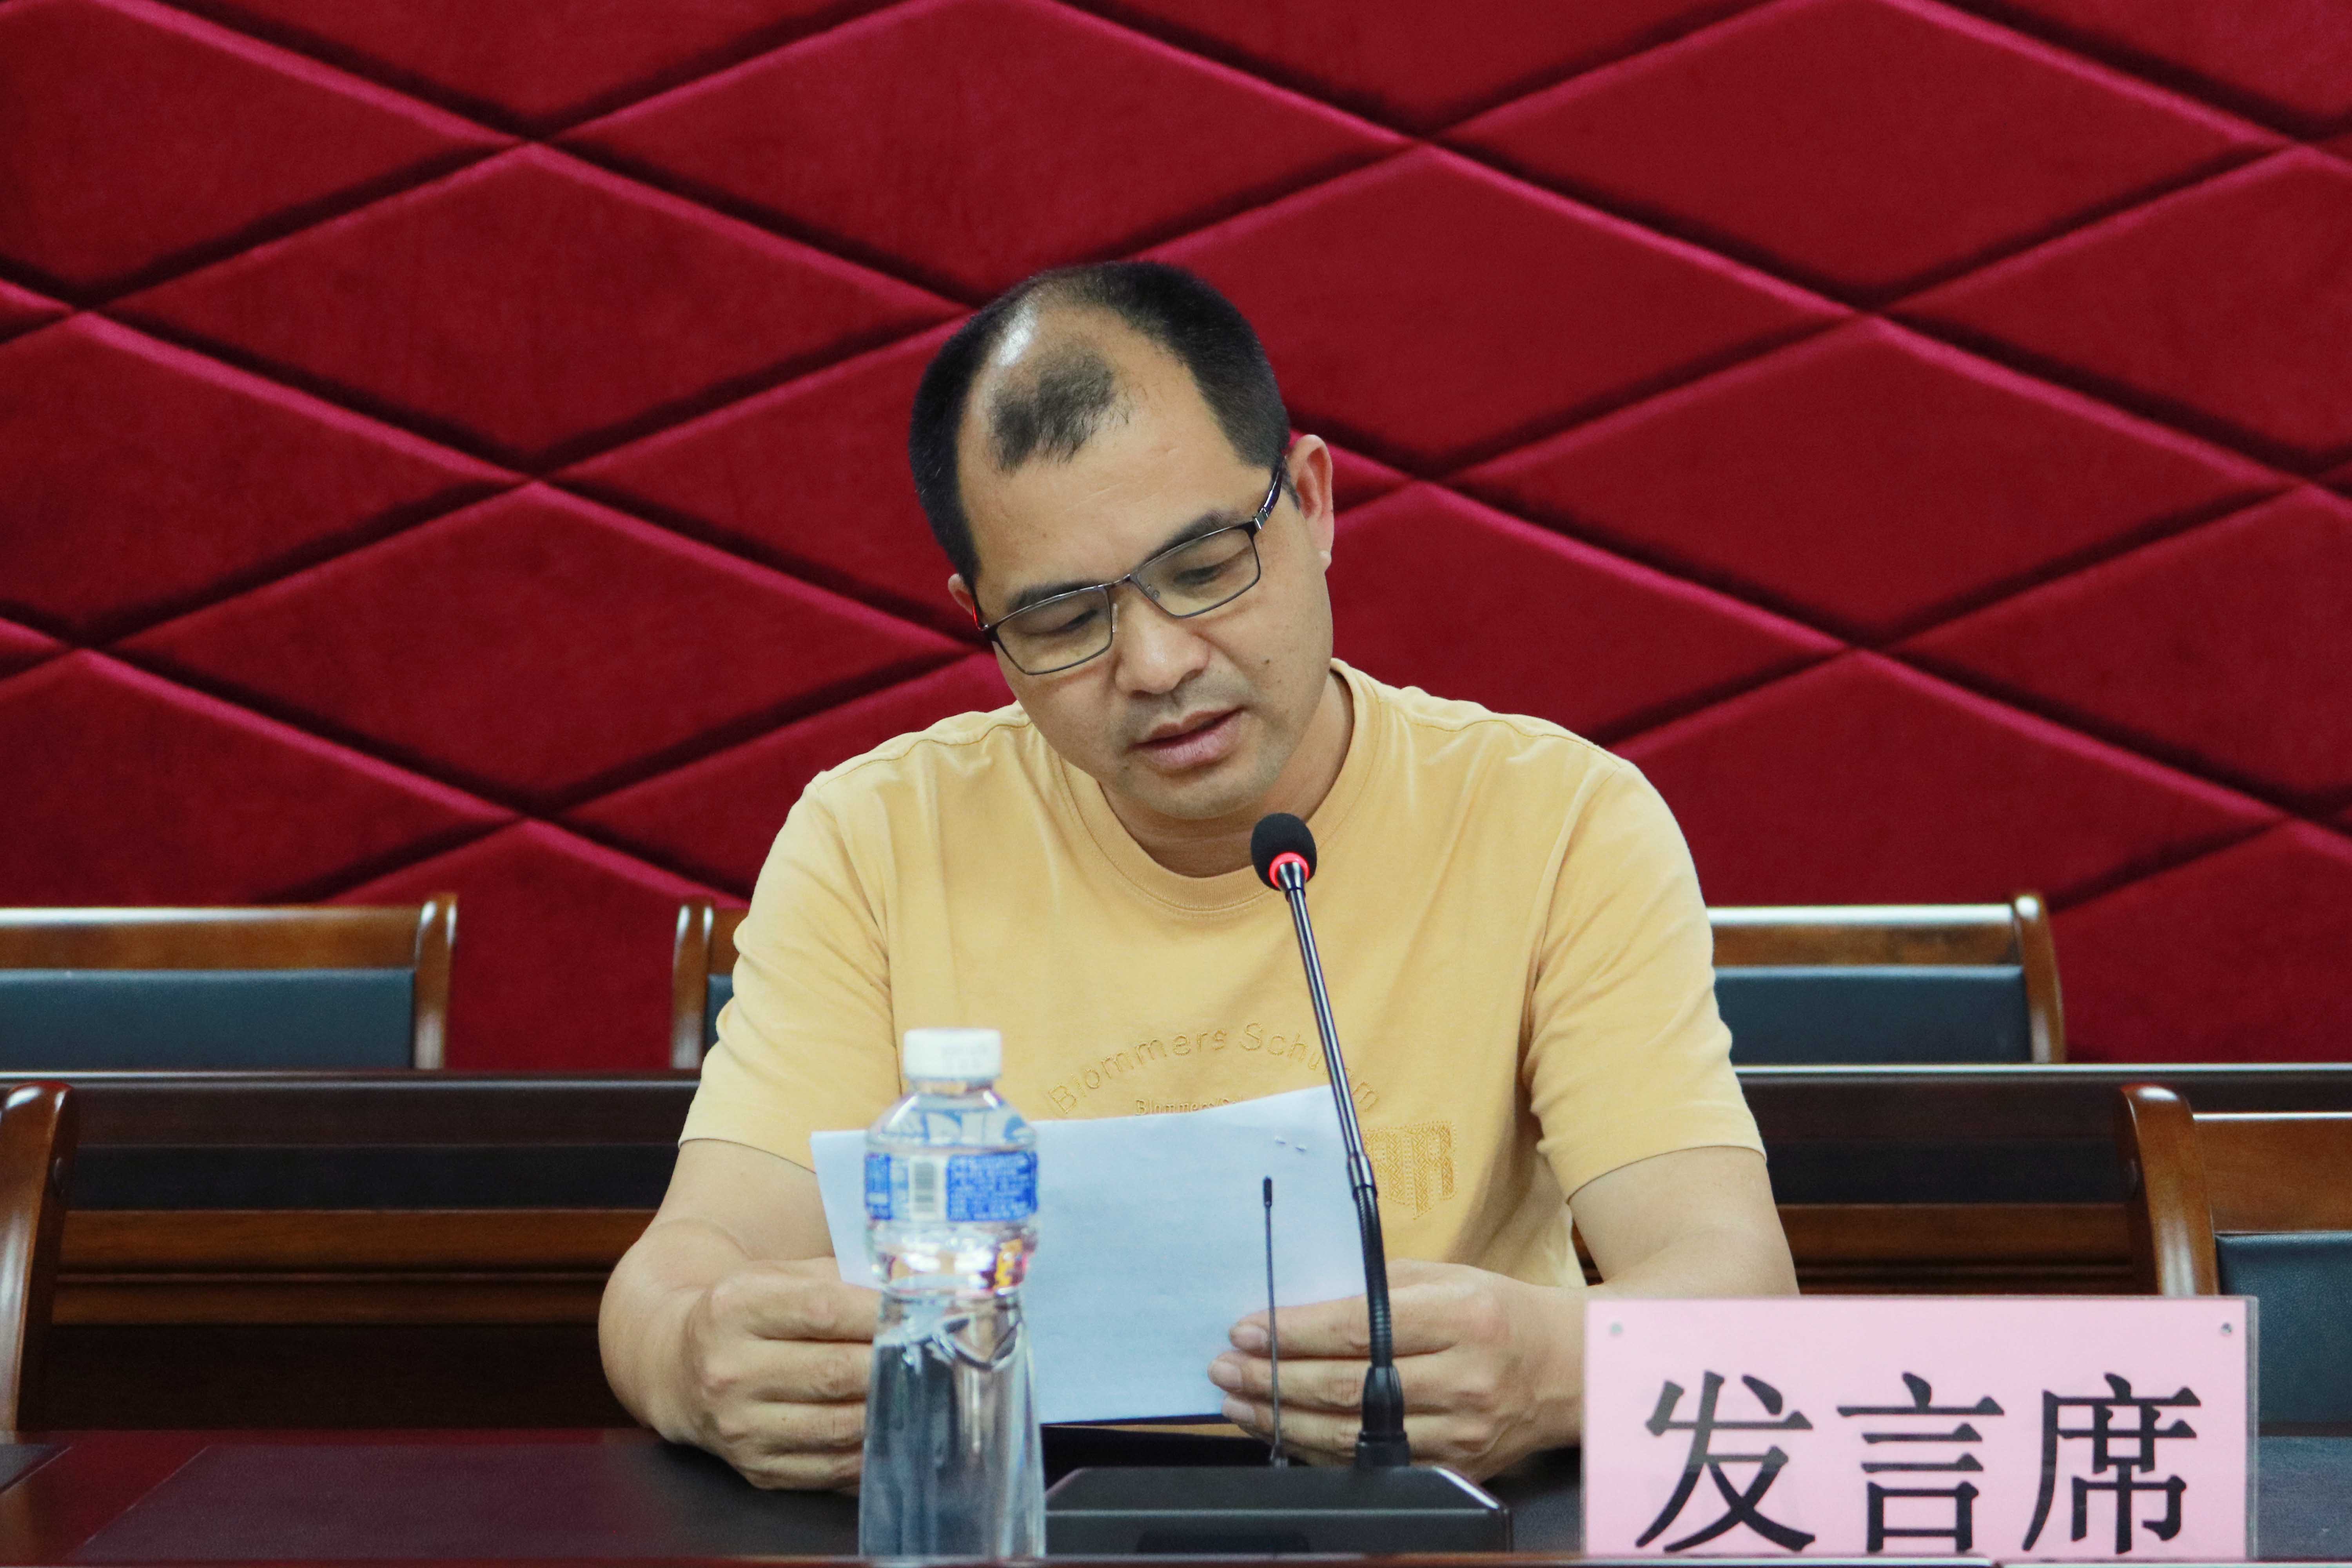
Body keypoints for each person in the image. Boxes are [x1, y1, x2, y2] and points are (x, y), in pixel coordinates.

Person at [598, 261, 1797, 1490]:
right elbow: (674, 1276)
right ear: (980, 618)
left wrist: (1552, 1368)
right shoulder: (878, 838)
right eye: (1064, 622)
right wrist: (693, 1361)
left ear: (1312, 502)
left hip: (1425, 1523)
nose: (1159, 665)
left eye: (1206, 564)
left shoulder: (1556, 821)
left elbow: (1739, 1289)